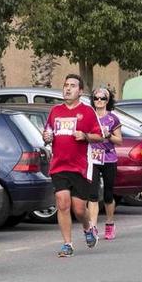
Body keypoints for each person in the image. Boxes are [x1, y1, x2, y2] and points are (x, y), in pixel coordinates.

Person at [42, 74, 103, 257]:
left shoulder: (88, 112)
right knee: (62, 204)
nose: (68, 89)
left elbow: (99, 136)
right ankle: (67, 244)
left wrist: (85, 136)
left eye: (72, 86)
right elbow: (48, 132)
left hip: (80, 166)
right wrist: (46, 136)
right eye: (66, 85)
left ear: (80, 91)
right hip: (59, 165)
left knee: (78, 209)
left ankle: (88, 228)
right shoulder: (55, 111)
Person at [86, 86, 123, 241]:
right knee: (93, 194)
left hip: (108, 158)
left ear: (108, 101)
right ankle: (93, 227)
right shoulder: (89, 116)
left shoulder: (112, 118)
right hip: (93, 158)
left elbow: (119, 141)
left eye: (103, 98)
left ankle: (109, 223)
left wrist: (108, 135)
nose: (99, 101)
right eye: (96, 98)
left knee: (108, 194)